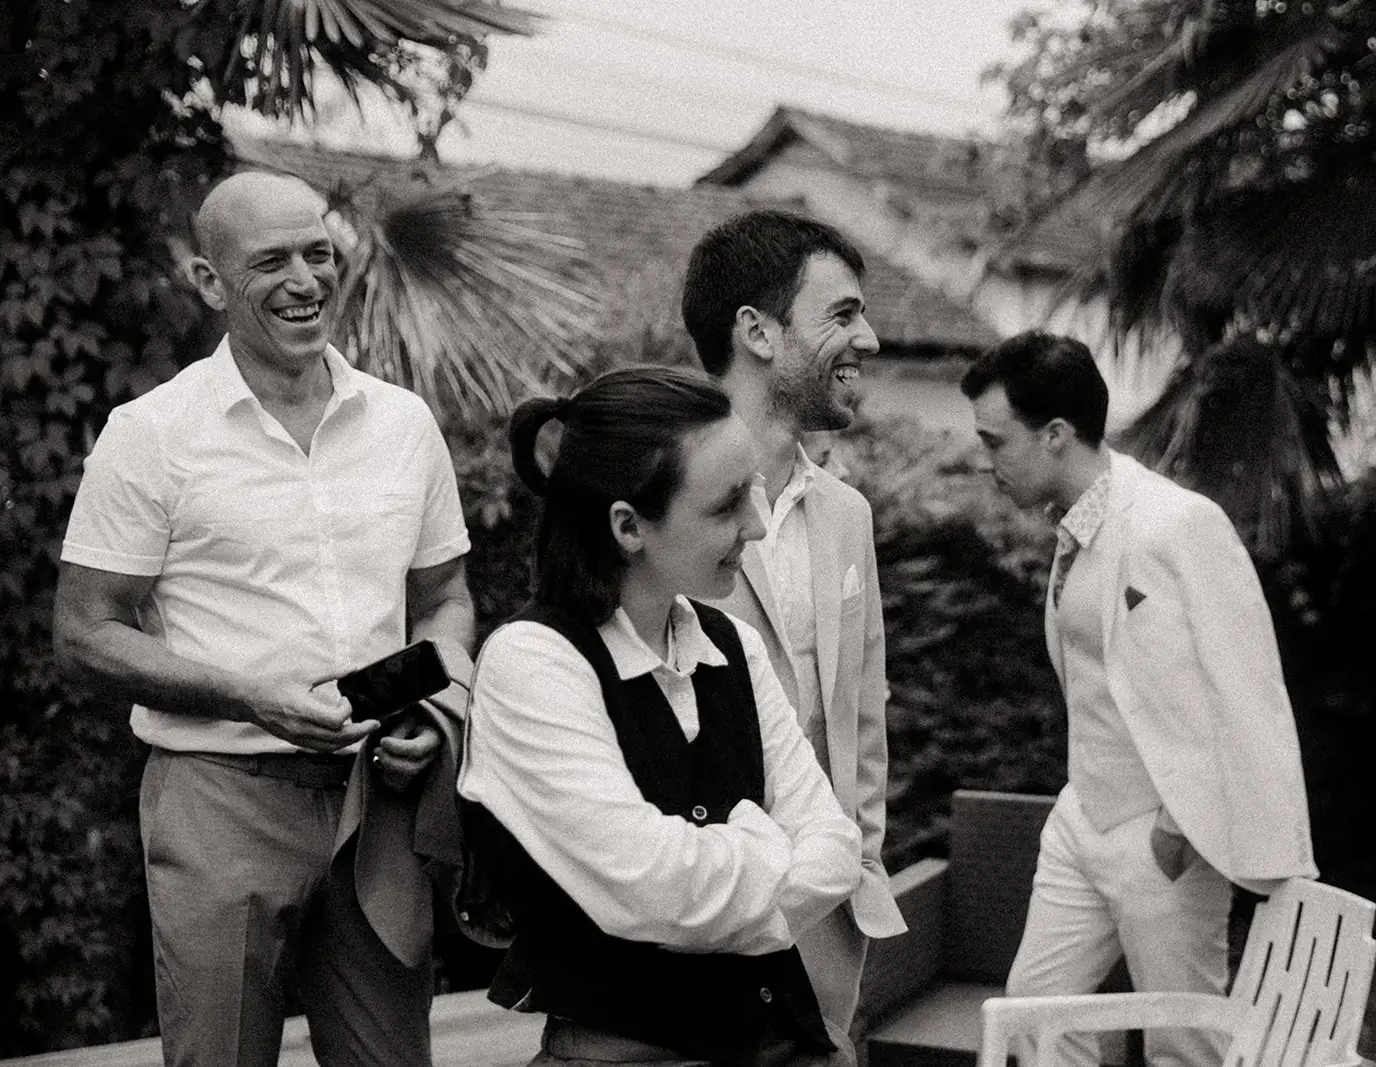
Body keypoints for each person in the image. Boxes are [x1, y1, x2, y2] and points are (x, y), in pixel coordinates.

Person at [53, 171, 476, 1067]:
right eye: (271, 261)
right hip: (218, 798)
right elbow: (84, 633)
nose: (305, 280)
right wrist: (252, 697)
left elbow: (445, 597)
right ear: (210, 282)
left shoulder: (404, 424)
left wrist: (436, 710)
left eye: (318, 253)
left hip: (376, 798)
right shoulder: (151, 432)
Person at [458, 366, 862, 1067]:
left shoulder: (734, 646)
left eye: (753, 491)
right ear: (628, 525)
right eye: (726, 506)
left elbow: (835, 849)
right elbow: (648, 885)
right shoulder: (532, 664)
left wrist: (706, 894)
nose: (757, 524)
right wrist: (767, 845)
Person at [961, 331, 1317, 1067]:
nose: (986, 460)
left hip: (1164, 837)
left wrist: (1176, 830)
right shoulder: (1074, 526)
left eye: (996, 442)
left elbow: (1245, 686)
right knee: (1033, 1023)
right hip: (1080, 820)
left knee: (1184, 1046)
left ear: (1055, 434)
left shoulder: (1179, 523)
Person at [680, 210, 907, 1045]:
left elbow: (864, 717)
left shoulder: (848, 514)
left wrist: (860, 862)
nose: (868, 339)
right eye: (842, 314)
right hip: (695, 928)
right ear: (758, 332)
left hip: (826, 931)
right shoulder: (654, 495)